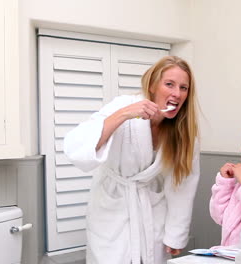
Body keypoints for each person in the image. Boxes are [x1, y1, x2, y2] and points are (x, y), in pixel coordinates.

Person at [64, 56, 200, 264]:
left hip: (151, 211)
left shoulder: (184, 131)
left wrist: (176, 233)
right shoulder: (124, 105)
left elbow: (182, 184)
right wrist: (124, 114)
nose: (177, 93)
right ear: (153, 85)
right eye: (169, 84)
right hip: (113, 208)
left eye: (183, 88)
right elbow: (77, 147)